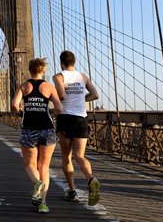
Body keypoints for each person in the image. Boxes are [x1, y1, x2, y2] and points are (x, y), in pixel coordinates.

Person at [12, 58, 62, 214]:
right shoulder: (49, 87)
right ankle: (43, 204)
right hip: (47, 129)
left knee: (30, 165)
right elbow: (59, 108)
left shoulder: (24, 86)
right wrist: (49, 112)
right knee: (44, 167)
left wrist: (21, 113)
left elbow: (14, 104)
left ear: (30, 70)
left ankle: (37, 183)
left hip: (29, 129)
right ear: (43, 70)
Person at [52, 50, 101, 206]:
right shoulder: (83, 77)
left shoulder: (58, 77)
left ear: (61, 63)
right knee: (80, 156)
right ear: (73, 62)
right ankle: (91, 179)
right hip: (81, 119)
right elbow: (95, 95)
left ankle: (72, 191)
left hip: (65, 118)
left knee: (67, 157)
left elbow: (62, 96)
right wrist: (81, 98)